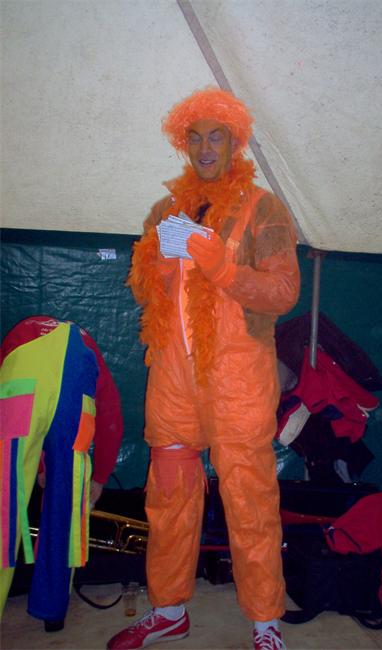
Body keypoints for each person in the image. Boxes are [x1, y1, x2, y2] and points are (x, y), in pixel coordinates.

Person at [107, 87, 300, 650]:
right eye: (195, 138)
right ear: (183, 144)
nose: (205, 148)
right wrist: (160, 266)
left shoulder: (264, 208)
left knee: (249, 498)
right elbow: (145, 293)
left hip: (238, 377)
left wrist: (220, 265)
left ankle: (265, 622)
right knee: (167, 497)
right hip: (173, 377)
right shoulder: (164, 211)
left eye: (216, 136)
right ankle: (169, 611)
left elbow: (284, 292)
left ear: (235, 143)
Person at [0, 315, 123, 629]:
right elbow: (111, 415)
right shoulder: (87, 342)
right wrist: (99, 477)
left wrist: (38, 465)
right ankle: (52, 611)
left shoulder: (22, 330)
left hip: (21, 366)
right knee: (65, 507)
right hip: (77, 375)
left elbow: (35, 402)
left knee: (5, 504)